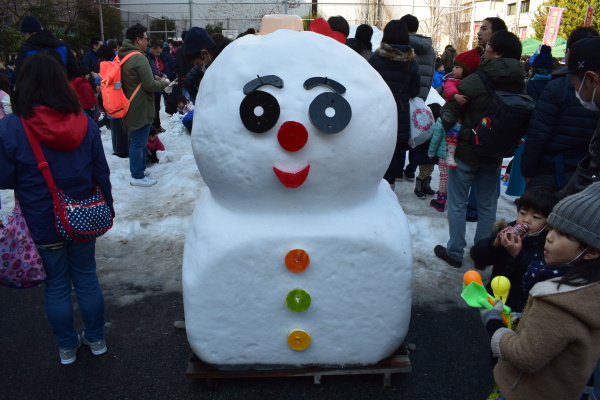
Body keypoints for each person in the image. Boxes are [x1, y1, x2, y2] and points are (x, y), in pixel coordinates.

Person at [0, 53, 114, 365]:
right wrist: (109, 206)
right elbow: (100, 172)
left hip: (41, 221)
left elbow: (4, 177)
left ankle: (67, 346)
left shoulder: (10, 127)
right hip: (82, 217)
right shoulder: (84, 122)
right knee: (87, 278)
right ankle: (96, 338)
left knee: (58, 285)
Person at [480, 182, 600, 400]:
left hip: (524, 390)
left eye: (562, 233)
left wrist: (493, 321)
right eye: (553, 228)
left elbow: (525, 356)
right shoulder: (583, 283)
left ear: (591, 251)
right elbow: (478, 255)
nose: (550, 236)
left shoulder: (557, 297)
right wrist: (495, 245)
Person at [434, 30, 525, 268]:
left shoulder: (476, 80)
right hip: (496, 155)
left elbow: (449, 111)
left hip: (466, 152)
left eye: (488, 48)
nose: (485, 51)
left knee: (458, 203)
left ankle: (454, 252)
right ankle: (482, 255)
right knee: (487, 207)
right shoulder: (519, 83)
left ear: (498, 52)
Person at [521, 28, 600, 192]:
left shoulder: (557, 87)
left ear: (591, 79)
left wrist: (528, 171)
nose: (576, 91)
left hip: (554, 173)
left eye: (576, 84)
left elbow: (538, 133)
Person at [470, 186, 557, 312]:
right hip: (494, 298)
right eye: (522, 213)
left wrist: (518, 254)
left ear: (549, 224)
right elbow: (477, 256)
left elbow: (541, 277)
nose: (526, 220)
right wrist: (494, 244)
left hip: (519, 308)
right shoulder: (509, 229)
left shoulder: (548, 245)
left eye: (536, 217)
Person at [368, 19, 420, 190]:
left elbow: (368, 86)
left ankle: (374, 185)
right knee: (396, 149)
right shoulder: (411, 62)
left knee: (378, 147)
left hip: (378, 111)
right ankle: (390, 187)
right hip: (400, 111)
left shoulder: (375, 58)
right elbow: (414, 91)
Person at [119, 23, 168, 187]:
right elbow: (149, 85)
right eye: (146, 39)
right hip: (139, 106)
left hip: (131, 103)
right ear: (138, 39)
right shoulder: (139, 57)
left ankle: (139, 169)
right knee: (139, 143)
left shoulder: (124, 55)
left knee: (138, 141)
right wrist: (164, 84)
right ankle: (137, 176)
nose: (148, 42)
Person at [442, 47, 483, 167]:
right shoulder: (452, 80)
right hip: (456, 115)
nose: (453, 69)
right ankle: (450, 155)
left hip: (469, 116)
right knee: (454, 130)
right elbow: (449, 89)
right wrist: (456, 96)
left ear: (466, 69)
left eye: (457, 67)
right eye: (454, 66)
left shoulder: (472, 81)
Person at [16, 16, 78, 80]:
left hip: (37, 89)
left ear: (28, 33)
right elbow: (73, 70)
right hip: (61, 87)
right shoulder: (62, 45)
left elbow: (21, 77)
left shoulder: (25, 50)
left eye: (24, 35)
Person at [146, 41, 167, 133]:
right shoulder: (146, 57)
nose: (158, 54)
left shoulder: (155, 58)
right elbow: (149, 72)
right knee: (153, 108)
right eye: (157, 52)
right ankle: (153, 128)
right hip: (152, 86)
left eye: (160, 52)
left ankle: (157, 126)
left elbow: (157, 70)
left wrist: (162, 74)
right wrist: (155, 76)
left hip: (157, 86)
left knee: (157, 107)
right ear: (152, 48)